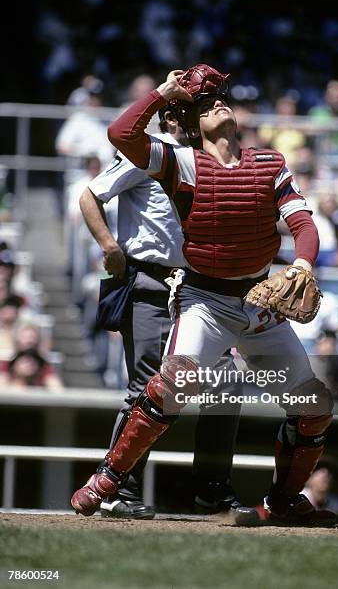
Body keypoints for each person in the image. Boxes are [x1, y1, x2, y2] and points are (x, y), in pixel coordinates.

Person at [71, 64, 335, 526]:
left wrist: (302, 263)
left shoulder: (270, 162)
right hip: (203, 300)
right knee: (170, 385)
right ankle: (110, 479)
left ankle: (284, 500)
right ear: (191, 124)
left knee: (314, 406)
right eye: (204, 104)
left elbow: (303, 224)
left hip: (260, 304)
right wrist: (162, 92)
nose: (217, 103)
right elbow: (121, 132)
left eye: (219, 99)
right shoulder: (181, 160)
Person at [74, 101, 243, 519]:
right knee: (147, 387)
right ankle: (119, 490)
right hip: (150, 282)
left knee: (226, 383)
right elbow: (90, 195)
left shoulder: (205, 161)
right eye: (191, 111)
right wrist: (109, 246)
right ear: (171, 118)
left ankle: (212, 491)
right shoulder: (149, 152)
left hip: (197, 290)